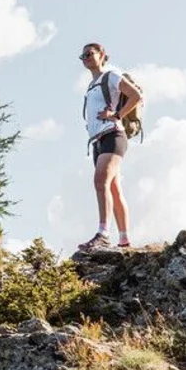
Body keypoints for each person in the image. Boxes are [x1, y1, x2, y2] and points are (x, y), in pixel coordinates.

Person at [77, 42, 142, 251]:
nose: (86, 57)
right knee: (113, 187)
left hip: (113, 135)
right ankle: (124, 240)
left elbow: (135, 96)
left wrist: (117, 115)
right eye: (82, 56)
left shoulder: (111, 75)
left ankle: (103, 233)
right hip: (97, 140)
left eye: (90, 53)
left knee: (100, 180)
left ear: (102, 54)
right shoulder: (91, 85)